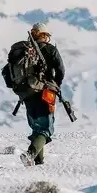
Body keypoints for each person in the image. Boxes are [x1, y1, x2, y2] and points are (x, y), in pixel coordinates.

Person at [19, 22, 65, 166]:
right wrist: (55, 85)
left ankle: (38, 161)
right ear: (45, 35)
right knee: (46, 129)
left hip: (27, 94)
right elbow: (61, 70)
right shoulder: (51, 50)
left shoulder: (25, 51)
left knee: (37, 127)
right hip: (45, 93)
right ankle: (30, 154)